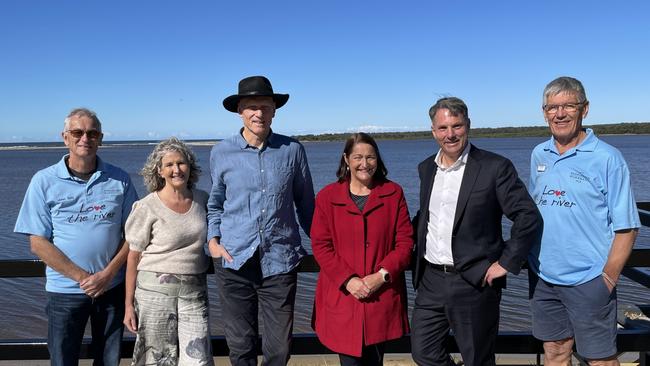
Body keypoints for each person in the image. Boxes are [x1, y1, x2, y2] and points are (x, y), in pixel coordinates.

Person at [410, 97, 542, 366]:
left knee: (477, 359)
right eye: (443, 128)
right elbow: (426, 217)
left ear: (468, 126)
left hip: (474, 281)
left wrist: (506, 262)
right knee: (423, 351)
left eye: (456, 126)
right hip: (430, 280)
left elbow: (527, 216)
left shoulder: (494, 167)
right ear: (433, 131)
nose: (450, 134)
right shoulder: (427, 168)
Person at [528, 77, 640, 366]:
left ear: (584, 109)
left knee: (600, 359)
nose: (560, 114)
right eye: (552, 107)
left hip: (590, 279)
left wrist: (607, 279)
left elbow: (627, 227)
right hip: (545, 277)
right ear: (544, 113)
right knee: (555, 351)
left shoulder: (607, 158)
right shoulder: (539, 154)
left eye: (568, 106)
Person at [14, 108, 138, 366]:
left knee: (108, 360)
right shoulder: (43, 181)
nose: (85, 138)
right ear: (65, 137)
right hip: (64, 293)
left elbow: (134, 235)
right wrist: (83, 278)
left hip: (111, 289)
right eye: (77, 132)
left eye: (92, 133)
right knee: (63, 360)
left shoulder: (120, 179)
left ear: (100, 138)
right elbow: (37, 243)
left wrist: (106, 276)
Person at [207, 75, 315, 366]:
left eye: (265, 106)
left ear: (274, 111)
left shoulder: (292, 150)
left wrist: (324, 244)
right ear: (240, 111)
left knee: (278, 350)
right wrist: (213, 241)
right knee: (241, 348)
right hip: (234, 260)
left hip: (280, 259)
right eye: (251, 107)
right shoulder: (221, 152)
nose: (259, 113)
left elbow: (307, 205)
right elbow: (215, 203)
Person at [311, 133, 413, 365]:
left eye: (370, 157)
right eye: (358, 157)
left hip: (382, 296)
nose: (364, 164)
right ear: (346, 159)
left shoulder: (393, 193)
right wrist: (348, 280)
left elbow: (405, 242)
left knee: (375, 362)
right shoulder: (327, 197)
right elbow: (321, 245)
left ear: (378, 160)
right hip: (343, 297)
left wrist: (382, 275)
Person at [123, 137, 214, 366]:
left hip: (194, 290)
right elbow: (133, 257)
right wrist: (128, 305)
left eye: (181, 163)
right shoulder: (146, 206)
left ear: (190, 166)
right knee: (157, 359)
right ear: (159, 171)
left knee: (198, 359)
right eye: (169, 165)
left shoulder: (203, 199)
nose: (176, 170)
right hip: (153, 292)